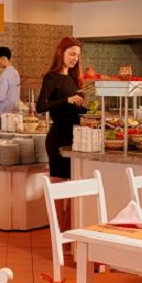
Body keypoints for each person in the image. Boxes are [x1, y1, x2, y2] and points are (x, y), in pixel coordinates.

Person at [35, 37, 86, 228]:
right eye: (71, 54)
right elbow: (41, 106)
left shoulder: (73, 79)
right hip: (58, 138)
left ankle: (69, 231)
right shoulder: (51, 77)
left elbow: (76, 111)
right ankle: (57, 231)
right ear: (61, 53)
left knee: (72, 187)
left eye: (77, 56)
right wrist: (67, 100)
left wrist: (88, 113)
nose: (75, 59)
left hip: (74, 138)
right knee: (58, 187)